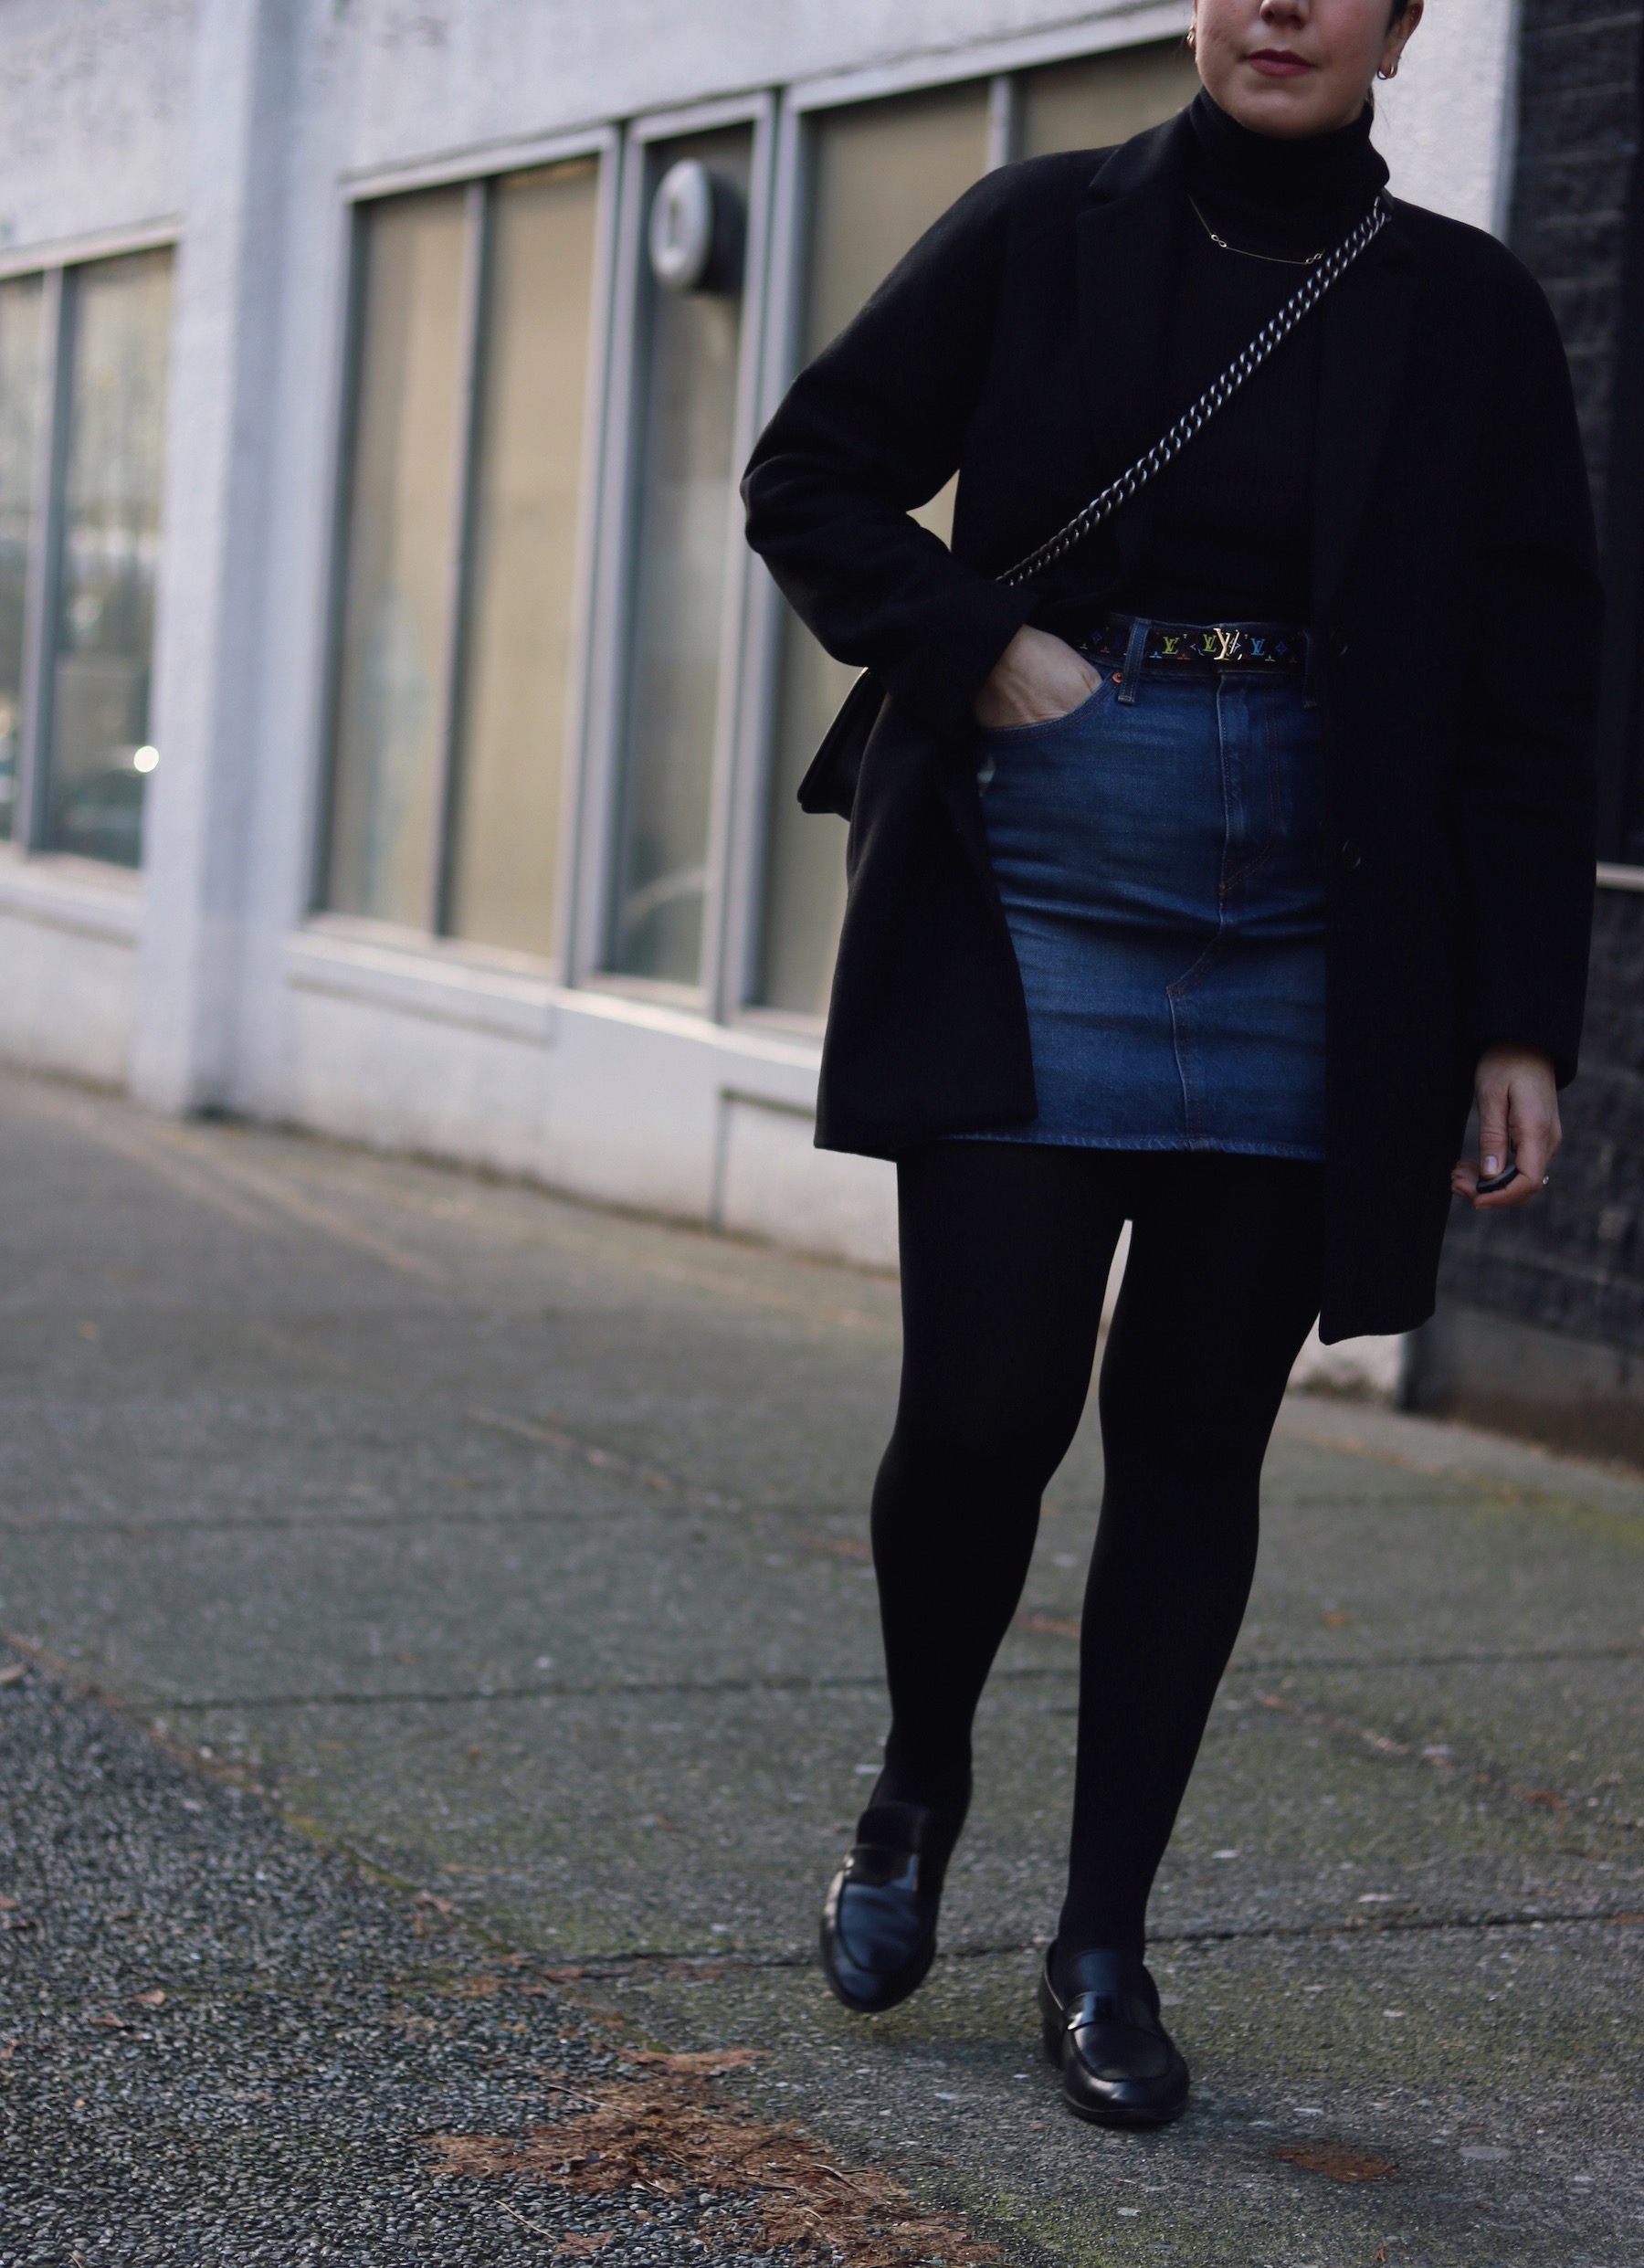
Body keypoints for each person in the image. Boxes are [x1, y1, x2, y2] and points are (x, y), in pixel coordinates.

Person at [742, 0, 1599, 2128]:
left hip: (1330, 921)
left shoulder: (1466, 308)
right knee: (982, 1411)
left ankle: (1104, 1942)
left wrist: (1513, 1014)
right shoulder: (1041, 230)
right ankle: (918, 1779)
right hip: (1048, 884)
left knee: (1196, 1448)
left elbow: (1531, 673)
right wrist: (973, 639)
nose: (1283, 7)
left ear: (1406, 24)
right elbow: (812, 473)